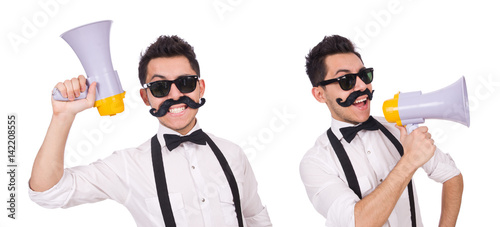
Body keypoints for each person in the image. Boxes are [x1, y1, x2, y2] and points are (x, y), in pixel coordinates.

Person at [29, 35, 272, 227]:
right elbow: (49, 193)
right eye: (160, 87)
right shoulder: (129, 165)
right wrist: (63, 116)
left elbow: (255, 217)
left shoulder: (233, 154)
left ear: (201, 88)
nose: (175, 95)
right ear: (146, 97)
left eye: (185, 82)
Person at [299, 35, 463, 227]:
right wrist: (409, 161)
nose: (362, 86)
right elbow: (358, 222)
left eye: (364, 75)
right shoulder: (316, 163)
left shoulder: (398, 128)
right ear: (320, 94)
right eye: (346, 80)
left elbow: (452, 176)